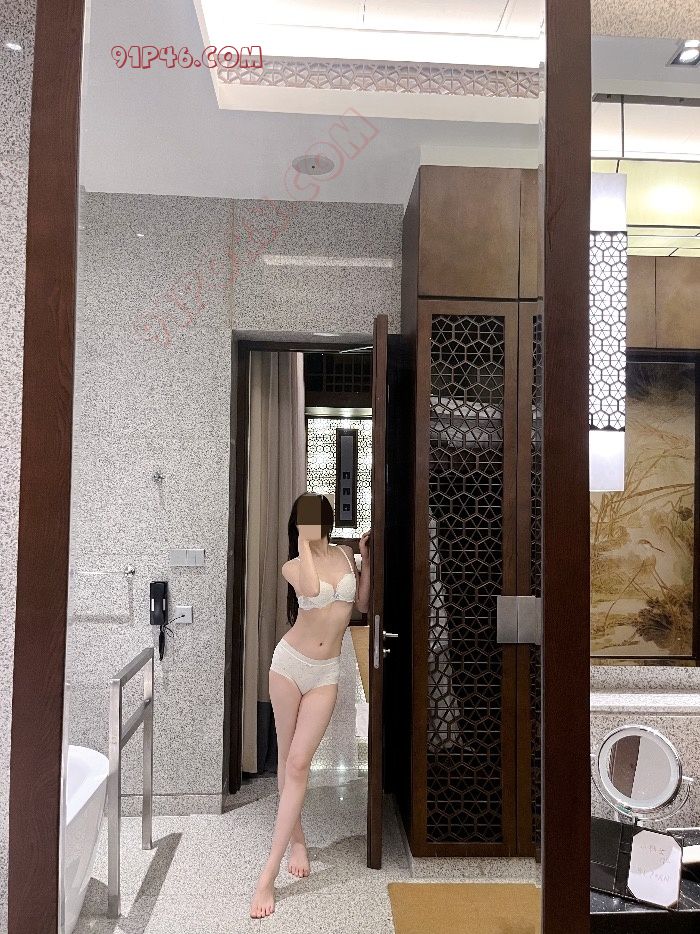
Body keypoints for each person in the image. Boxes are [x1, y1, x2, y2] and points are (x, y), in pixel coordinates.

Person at [249, 493, 371, 919]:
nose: (313, 523)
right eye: (304, 518)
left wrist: (368, 560)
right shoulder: (292, 566)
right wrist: (304, 542)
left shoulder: (345, 555)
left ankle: (274, 865)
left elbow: (362, 605)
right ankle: (286, 853)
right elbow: (313, 589)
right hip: (288, 666)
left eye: (317, 516)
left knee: (299, 762)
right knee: (288, 759)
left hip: (326, 673)